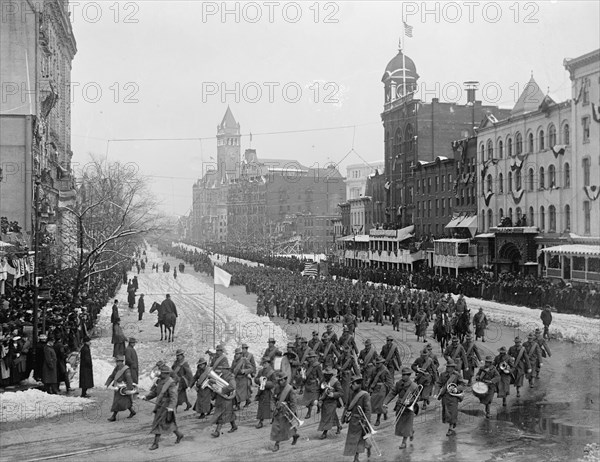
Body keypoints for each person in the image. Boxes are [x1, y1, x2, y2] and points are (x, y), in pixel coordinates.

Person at [141, 364, 183, 450]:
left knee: (158, 423)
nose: (160, 374)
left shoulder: (171, 383)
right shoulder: (160, 381)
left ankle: (155, 444)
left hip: (166, 407)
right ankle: (179, 434)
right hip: (160, 405)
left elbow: (174, 397)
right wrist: (146, 397)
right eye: (161, 373)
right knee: (168, 423)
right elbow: (155, 392)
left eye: (163, 373)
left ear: (167, 374)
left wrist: (171, 407)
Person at [383, 367, 419, 450]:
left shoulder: (414, 386)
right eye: (403, 375)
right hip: (400, 406)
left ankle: (404, 442)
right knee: (401, 425)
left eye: (406, 375)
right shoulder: (399, 383)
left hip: (409, 408)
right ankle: (411, 431)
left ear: (409, 375)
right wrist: (385, 402)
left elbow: (417, 397)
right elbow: (392, 393)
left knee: (406, 425)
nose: (404, 376)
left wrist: (410, 402)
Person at [342, 374, 372, 462]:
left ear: (359, 384)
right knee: (354, 439)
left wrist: (366, 422)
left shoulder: (365, 395)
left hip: (361, 421)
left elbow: (368, 410)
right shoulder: (351, 394)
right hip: (353, 421)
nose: (352, 385)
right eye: (351, 384)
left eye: (354, 383)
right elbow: (347, 406)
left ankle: (366, 449)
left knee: (360, 439)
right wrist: (343, 418)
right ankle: (356, 457)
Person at [271, 371, 300, 452]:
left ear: (285, 379)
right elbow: (273, 398)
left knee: (281, 427)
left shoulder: (290, 389)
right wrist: (273, 406)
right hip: (278, 410)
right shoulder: (277, 387)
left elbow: (294, 403)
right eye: (279, 380)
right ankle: (295, 435)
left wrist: (291, 413)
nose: (280, 382)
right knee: (277, 427)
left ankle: (277, 444)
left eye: (282, 380)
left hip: (286, 411)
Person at [435, 360, 464, 436]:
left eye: (449, 367)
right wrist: (436, 392)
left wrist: (456, 389)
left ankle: (450, 428)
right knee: (446, 412)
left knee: (453, 412)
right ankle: (453, 422)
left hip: (453, 396)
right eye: (447, 366)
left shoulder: (457, 375)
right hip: (445, 396)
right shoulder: (442, 375)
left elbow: (462, 384)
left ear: (453, 368)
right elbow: (438, 383)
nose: (447, 368)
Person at [105, 355, 135, 421]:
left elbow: (129, 379)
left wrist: (129, 388)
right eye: (117, 362)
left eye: (118, 362)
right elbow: (112, 376)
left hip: (123, 389)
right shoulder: (116, 368)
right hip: (117, 387)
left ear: (122, 362)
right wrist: (107, 383)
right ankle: (132, 412)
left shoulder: (126, 369)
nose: (117, 363)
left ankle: (113, 416)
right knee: (126, 402)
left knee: (117, 402)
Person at [211, 361, 237, 437]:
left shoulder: (230, 377)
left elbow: (233, 387)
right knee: (229, 413)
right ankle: (234, 426)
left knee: (222, 414)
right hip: (221, 398)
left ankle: (217, 431)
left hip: (227, 398)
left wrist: (222, 390)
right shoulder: (221, 376)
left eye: (223, 369)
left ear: (227, 370)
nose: (222, 370)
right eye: (222, 369)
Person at [318, 367, 343, 439]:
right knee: (332, 414)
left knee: (327, 416)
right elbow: (319, 389)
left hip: (332, 401)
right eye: (324, 374)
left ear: (331, 375)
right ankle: (339, 426)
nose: (325, 375)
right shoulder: (323, 380)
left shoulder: (335, 382)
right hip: (325, 401)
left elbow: (341, 392)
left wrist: (333, 394)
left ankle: (325, 432)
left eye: (327, 374)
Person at [367, 357, 393, 426]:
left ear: (382, 363)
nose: (377, 364)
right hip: (375, 388)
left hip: (382, 389)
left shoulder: (385, 370)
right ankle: (385, 412)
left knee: (380, 404)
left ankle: (378, 419)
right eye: (376, 363)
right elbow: (371, 378)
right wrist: (369, 386)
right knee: (371, 403)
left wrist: (387, 389)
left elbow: (390, 382)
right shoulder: (374, 369)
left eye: (379, 363)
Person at [254, 356, 276, 428]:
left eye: (265, 363)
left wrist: (265, 383)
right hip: (262, 391)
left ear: (269, 363)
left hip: (269, 392)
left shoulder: (272, 372)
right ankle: (261, 421)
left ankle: (274, 418)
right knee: (261, 407)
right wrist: (259, 380)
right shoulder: (261, 371)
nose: (264, 364)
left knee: (271, 407)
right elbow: (256, 379)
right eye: (263, 363)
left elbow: (274, 383)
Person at [300, 351, 322, 419]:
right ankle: (318, 406)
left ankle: (309, 413)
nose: (310, 359)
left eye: (311, 358)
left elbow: (320, 376)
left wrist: (321, 386)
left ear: (314, 358)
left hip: (314, 384)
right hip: (307, 384)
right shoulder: (306, 365)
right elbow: (304, 375)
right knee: (307, 400)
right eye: (309, 358)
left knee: (311, 401)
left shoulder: (317, 366)